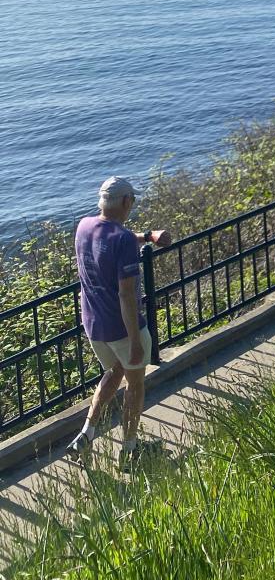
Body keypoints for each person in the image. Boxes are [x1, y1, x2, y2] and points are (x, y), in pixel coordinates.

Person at [65, 176, 172, 470]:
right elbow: (127, 295)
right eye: (132, 201)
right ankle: (129, 450)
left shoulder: (84, 226)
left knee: (113, 371)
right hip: (123, 327)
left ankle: (86, 434)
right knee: (135, 386)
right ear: (126, 202)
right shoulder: (122, 239)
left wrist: (147, 236)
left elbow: (111, 238)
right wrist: (137, 342)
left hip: (93, 324)